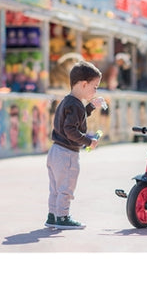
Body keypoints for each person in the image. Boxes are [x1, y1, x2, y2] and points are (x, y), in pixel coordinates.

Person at [45, 61, 106, 229]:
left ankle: (53, 216)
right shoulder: (75, 105)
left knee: (55, 189)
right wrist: (89, 141)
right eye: (95, 87)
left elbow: (78, 117)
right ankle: (63, 218)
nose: (95, 91)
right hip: (66, 154)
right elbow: (71, 129)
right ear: (84, 84)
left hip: (55, 151)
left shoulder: (68, 101)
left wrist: (91, 106)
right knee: (66, 187)